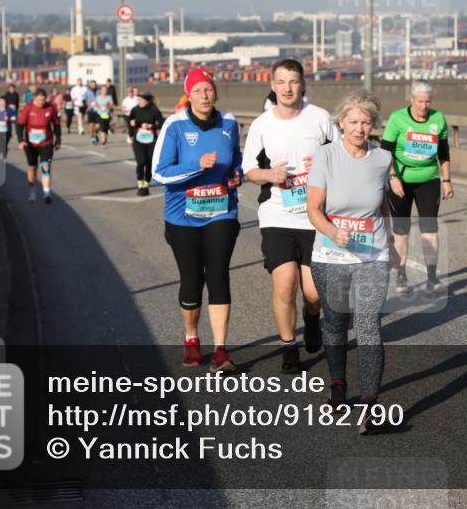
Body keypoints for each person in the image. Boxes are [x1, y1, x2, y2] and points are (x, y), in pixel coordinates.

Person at [306, 89, 393, 433]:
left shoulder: (383, 159)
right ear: (341, 123)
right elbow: (314, 208)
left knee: (369, 324)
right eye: (353, 121)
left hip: (373, 254)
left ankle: (370, 404)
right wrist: (332, 230)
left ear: (373, 125)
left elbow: (381, 204)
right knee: (335, 323)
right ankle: (338, 384)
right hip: (331, 254)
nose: (359, 128)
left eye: (366, 122)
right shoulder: (326, 155)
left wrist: (393, 243)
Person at [243, 60, 335, 373]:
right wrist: (270, 174)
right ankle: (288, 347)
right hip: (276, 214)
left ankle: (312, 318)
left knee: (314, 293)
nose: (287, 88)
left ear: (303, 84)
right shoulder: (262, 124)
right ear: (272, 85)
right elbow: (249, 170)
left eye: (293, 81)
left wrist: (322, 164)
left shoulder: (320, 118)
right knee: (285, 286)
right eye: (281, 82)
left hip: (314, 215)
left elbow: (343, 157)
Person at [153, 69, 243, 372]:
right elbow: (159, 173)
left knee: (218, 274)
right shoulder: (175, 125)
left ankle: (220, 350)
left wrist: (237, 174)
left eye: (208, 89)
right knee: (192, 278)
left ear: (215, 92)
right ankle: (191, 339)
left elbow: (236, 158)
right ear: (188, 95)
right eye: (197, 91)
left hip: (221, 211)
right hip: (182, 216)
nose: (204, 96)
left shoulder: (229, 121)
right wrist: (196, 165)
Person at [380, 79, 453, 295]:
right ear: (411, 99)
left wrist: (447, 180)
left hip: (428, 179)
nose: (424, 106)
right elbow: (385, 151)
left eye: (427, 102)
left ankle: (432, 277)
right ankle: (401, 275)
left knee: (430, 228)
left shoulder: (438, 119)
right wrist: (392, 176)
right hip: (400, 179)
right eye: (420, 102)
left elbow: (444, 154)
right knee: (401, 230)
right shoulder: (398, 118)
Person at [16, 88, 62, 204]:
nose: (40, 102)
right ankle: (32, 191)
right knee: (32, 167)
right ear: (34, 98)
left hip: (46, 142)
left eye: (43, 100)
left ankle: (46, 194)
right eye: (38, 100)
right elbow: (20, 125)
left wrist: (58, 140)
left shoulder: (50, 108)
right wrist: (21, 140)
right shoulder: (28, 108)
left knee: (45, 166)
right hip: (30, 144)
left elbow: (56, 125)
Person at [128, 91, 163, 195]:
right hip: (138, 139)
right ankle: (140, 183)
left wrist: (151, 126)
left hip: (151, 140)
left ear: (147, 101)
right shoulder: (135, 109)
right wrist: (131, 131)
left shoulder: (154, 110)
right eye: (138, 99)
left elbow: (161, 124)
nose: (139, 101)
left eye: (141, 100)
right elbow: (130, 121)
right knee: (141, 162)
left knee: (149, 163)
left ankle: (146, 184)